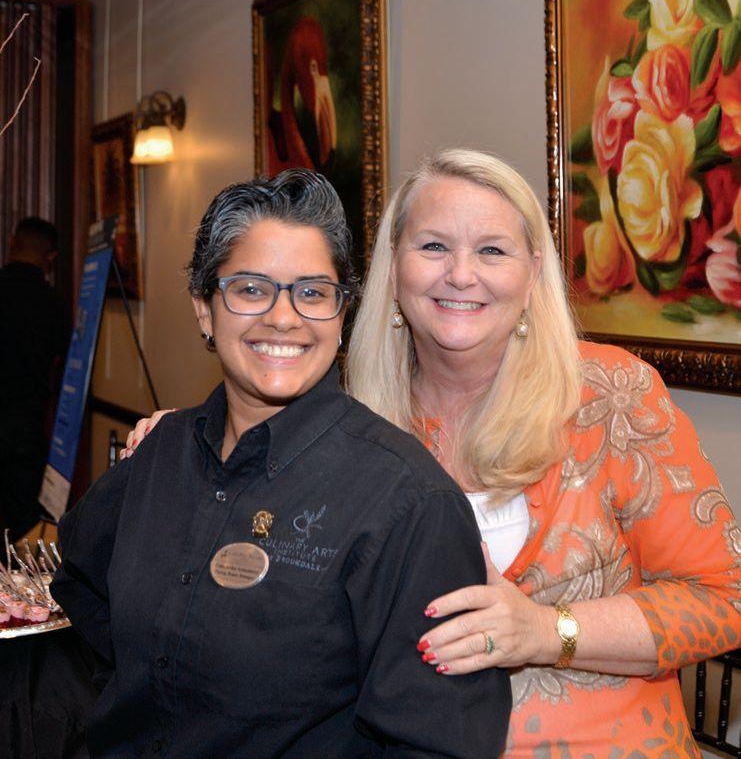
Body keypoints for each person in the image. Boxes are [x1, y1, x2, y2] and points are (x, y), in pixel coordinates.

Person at [129, 150, 740, 757]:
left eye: (492, 250)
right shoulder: (342, 414)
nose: (461, 275)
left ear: (532, 273)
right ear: (393, 268)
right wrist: (186, 435)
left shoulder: (612, 395)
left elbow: (727, 599)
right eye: (433, 247)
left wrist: (547, 631)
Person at [51, 169, 511, 758]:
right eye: (250, 289)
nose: (283, 317)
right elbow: (81, 584)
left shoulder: (409, 505)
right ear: (204, 309)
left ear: (340, 315)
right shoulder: (160, 453)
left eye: (312, 293)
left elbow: (440, 742)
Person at [0, 216, 70, 541]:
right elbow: (65, 365)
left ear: (12, 243)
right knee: (21, 523)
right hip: (26, 429)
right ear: (50, 256)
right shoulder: (53, 303)